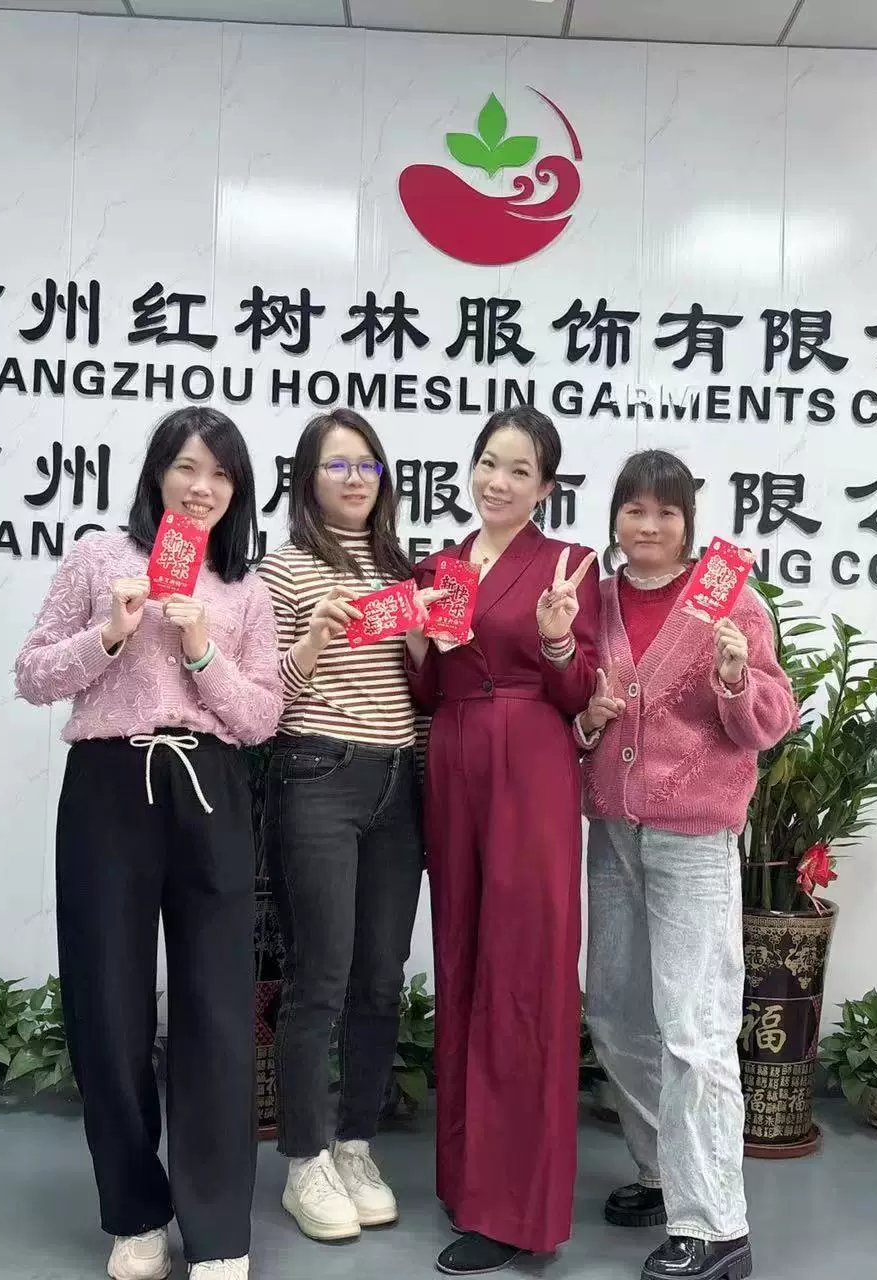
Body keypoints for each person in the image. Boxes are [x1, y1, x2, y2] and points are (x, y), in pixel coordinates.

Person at [13, 407, 282, 1280]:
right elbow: (32, 674)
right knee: (109, 1003)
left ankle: (219, 1231)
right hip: (109, 786)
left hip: (210, 788)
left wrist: (202, 650)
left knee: (217, 1009)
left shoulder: (244, 588)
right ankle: (134, 1214)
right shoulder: (99, 558)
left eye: (221, 474)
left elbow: (260, 717)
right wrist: (110, 633)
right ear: (157, 473)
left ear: (239, 490)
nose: (202, 487)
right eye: (187, 467)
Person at [574, 450, 797, 1280]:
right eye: (634, 509)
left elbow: (771, 719)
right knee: (617, 1018)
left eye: (666, 511)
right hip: (614, 833)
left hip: (695, 840)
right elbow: (574, 712)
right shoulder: (595, 601)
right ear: (615, 518)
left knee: (695, 1030)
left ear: (688, 522)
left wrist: (736, 679)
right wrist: (586, 720)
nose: (649, 525)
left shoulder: (729, 601)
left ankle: (715, 1225)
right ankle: (666, 1172)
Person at [405, 406, 601, 1277]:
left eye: (521, 470)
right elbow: (427, 688)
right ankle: (466, 1179)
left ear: (545, 487)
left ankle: (517, 1210)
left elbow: (580, 691)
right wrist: (419, 641)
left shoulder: (569, 564)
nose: (499, 481)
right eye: (490, 462)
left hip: (532, 768)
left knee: (525, 972)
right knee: (462, 958)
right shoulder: (442, 568)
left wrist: (557, 640)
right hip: (453, 759)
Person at [256, 409, 425, 1243]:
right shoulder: (282, 570)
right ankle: (304, 1160)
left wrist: (427, 642)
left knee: (381, 978)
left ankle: (355, 1144)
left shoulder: (404, 569)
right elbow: (261, 701)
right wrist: (313, 641)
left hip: (400, 784)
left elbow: (423, 693)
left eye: (367, 465)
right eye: (337, 465)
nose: (355, 479)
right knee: (319, 977)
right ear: (307, 478)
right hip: (318, 775)